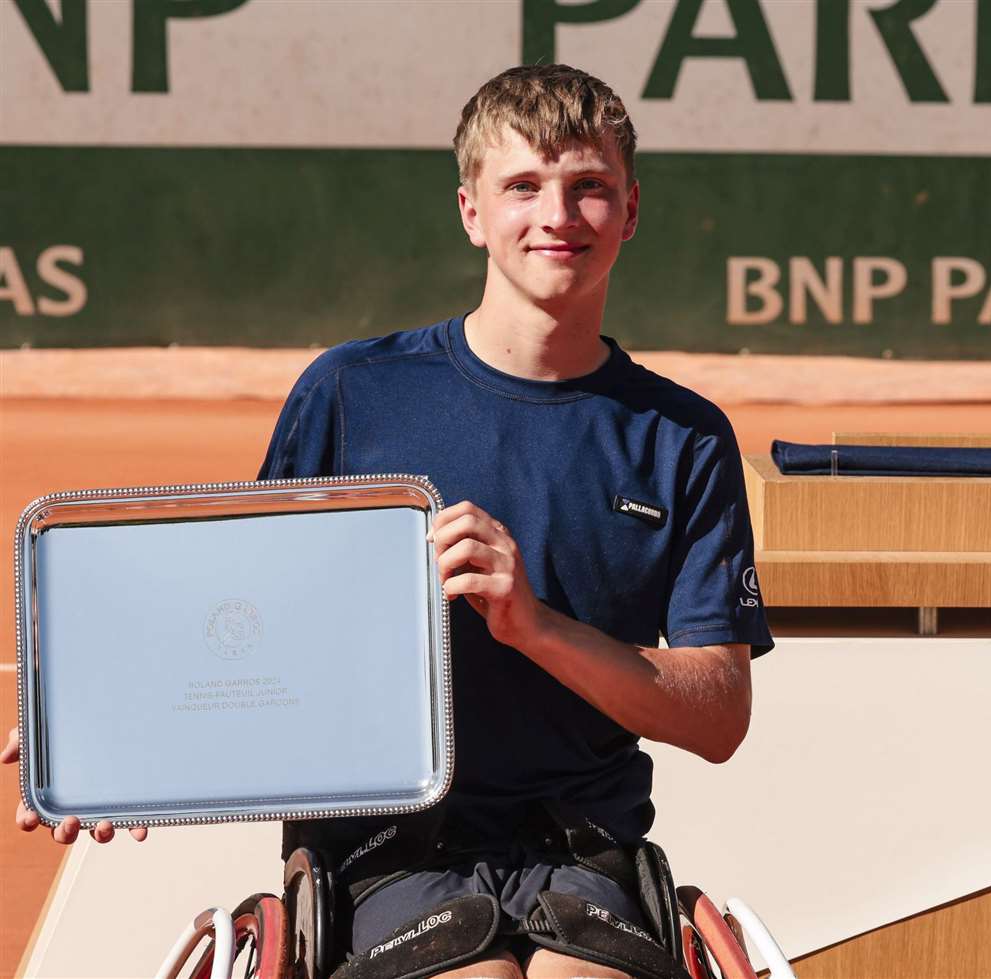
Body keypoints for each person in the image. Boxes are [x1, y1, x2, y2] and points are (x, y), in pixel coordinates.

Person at [10, 64, 772, 979]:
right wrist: (111, 738)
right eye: (523, 186)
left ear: (632, 209)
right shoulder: (350, 394)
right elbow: (245, 615)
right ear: (471, 212)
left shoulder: (684, 436)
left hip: (586, 856)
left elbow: (719, 715)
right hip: (388, 857)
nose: (558, 216)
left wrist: (533, 626)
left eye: (590, 188)